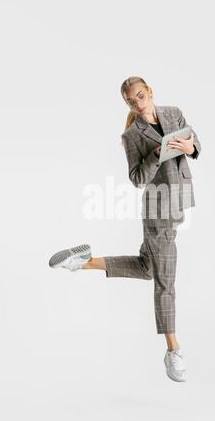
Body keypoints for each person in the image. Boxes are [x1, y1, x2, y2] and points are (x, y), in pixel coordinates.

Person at [48, 76, 201, 382]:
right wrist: (157, 153)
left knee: (148, 269)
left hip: (178, 204)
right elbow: (136, 178)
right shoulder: (132, 135)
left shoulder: (174, 113)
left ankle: (84, 261)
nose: (137, 103)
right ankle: (174, 349)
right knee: (165, 282)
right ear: (127, 103)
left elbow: (197, 145)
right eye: (131, 101)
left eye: (141, 96)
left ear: (151, 92)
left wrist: (190, 146)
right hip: (158, 211)